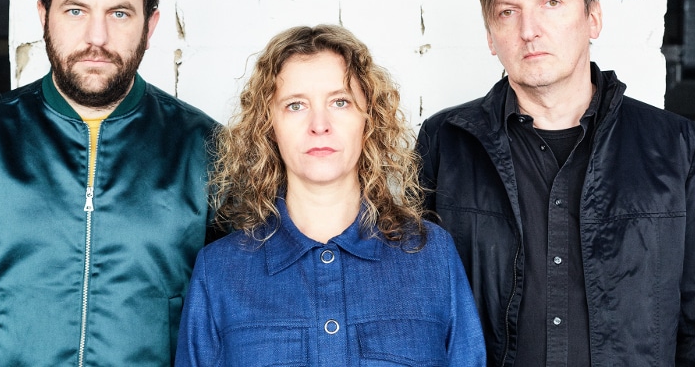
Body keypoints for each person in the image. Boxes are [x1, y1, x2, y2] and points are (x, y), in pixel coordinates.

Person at [416, 0, 695, 366]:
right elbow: (419, 304)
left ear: (593, 18)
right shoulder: (446, 141)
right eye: (507, 12)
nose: (529, 31)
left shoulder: (675, 145)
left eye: (551, 3)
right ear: (491, 37)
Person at [0, 0, 218, 365]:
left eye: (119, 13)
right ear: (44, 15)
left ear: (150, 25)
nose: (96, 37)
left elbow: (233, 311)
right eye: (76, 10)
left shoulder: (206, 150)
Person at [175, 24, 486, 366]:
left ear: (369, 119)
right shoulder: (218, 271)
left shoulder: (432, 256)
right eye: (296, 105)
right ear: (268, 126)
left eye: (340, 102)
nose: (319, 124)